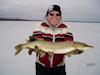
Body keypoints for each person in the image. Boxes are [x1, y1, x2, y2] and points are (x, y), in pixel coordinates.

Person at [28, 5, 83, 75]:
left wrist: (71, 51)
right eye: (51, 14)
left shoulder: (66, 28)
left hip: (59, 67)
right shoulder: (40, 26)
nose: (55, 17)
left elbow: (68, 43)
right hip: (41, 66)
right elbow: (37, 40)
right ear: (47, 15)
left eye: (58, 14)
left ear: (60, 16)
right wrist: (38, 49)